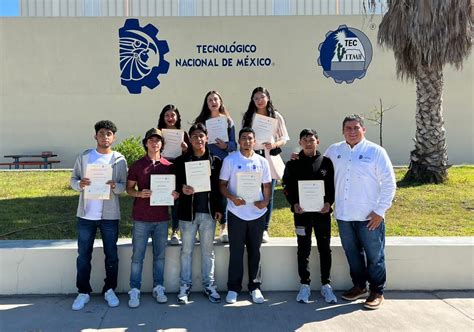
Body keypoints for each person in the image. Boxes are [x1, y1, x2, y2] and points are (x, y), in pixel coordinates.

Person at [324, 114, 396, 310]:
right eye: (348, 128)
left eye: (356, 128)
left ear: (364, 130)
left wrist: (380, 211)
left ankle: (377, 291)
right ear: (342, 131)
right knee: (352, 254)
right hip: (344, 215)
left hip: (369, 216)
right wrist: (299, 157)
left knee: (375, 255)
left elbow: (389, 183)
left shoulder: (376, 152)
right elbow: (318, 170)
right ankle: (359, 286)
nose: (352, 131)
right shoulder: (334, 150)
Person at [70, 120, 127, 311]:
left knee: (111, 255)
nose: (105, 137)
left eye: (109, 134)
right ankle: (83, 292)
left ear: (113, 137)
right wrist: (81, 185)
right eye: (101, 133)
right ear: (95, 136)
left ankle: (109, 289)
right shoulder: (85, 157)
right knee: (83, 255)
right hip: (86, 215)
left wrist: (114, 186)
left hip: (109, 216)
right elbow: (74, 180)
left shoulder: (119, 159)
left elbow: (123, 187)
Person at [282, 129, 337, 304]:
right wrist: (294, 204)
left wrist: (329, 203)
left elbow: (332, 186)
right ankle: (304, 285)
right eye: (304, 140)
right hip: (301, 215)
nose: (308, 142)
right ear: (300, 143)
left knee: (324, 248)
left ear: (317, 142)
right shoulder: (293, 164)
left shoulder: (326, 163)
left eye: (311, 139)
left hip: (322, 214)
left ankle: (326, 285)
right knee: (303, 248)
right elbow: (287, 187)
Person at [126, 128, 179, 308]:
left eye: (158, 140)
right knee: (137, 257)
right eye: (151, 140)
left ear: (162, 144)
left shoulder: (169, 166)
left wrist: (174, 194)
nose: (154, 143)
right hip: (141, 218)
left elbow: (174, 190)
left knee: (160, 257)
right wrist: (140, 194)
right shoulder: (137, 165)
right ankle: (134, 289)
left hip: (162, 218)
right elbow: (129, 189)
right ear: (146, 143)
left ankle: (158, 287)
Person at [219, 127, 272, 304]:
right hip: (237, 213)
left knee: (254, 251)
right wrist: (232, 198)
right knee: (236, 251)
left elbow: (267, 186)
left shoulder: (262, 161)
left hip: (257, 213)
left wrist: (265, 202)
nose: (247, 141)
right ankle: (233, 288)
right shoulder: (230, 160)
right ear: (239, 141)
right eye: (244, 138)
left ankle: (255, 287)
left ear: (254, 141)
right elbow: (222, 185)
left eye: (250, 138)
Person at [174, 123, 224, 304]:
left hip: (209, 214)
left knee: (207, 252)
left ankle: (209, 285)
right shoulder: (181, 162)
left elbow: (220, 189)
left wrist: (220, 210)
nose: (198, 139)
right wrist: (182, 188)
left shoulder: (216, 161)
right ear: (190, 139)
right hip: (188, 214)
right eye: (194, 136)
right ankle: (184, 286)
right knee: (186, 251)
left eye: (201, 136)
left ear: (207, 138)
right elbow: (175, 184)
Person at [242, 87, 289, 243]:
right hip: (253, 158)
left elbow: (284, 137)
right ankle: (252, 225)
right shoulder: (249, 116)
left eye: (262, 97)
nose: (259, 100)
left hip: (270, 157)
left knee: (268, 194)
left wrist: (274, 145)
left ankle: (264, 229)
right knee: (252, 191)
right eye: (256, 98)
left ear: (268, 98)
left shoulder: (276, 116)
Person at [194, 90, 237, 243]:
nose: (213, 102)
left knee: (222, 192)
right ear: (206, 103)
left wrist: (225, 145)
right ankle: (203, 227)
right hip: (206, 161)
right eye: (210, 100)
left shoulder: (228, 121)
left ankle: (223, 226)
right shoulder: (201, 121)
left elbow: (234, 145)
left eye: (215, 99)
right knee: (205, 192)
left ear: (220, 102)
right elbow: (195, 139)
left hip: (224, 161)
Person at [157, 104, 190, 246]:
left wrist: (185, 149)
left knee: (176, 200)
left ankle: (175, 231)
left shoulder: (183, 135)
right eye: (167, 115)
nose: (170, 118)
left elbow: (189, 155)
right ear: (162, 118)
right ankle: (159, 230)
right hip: (161, 168)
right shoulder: (158, 133)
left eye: (172, 115)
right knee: (161, 199)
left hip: (178, 168)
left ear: (177, 117)